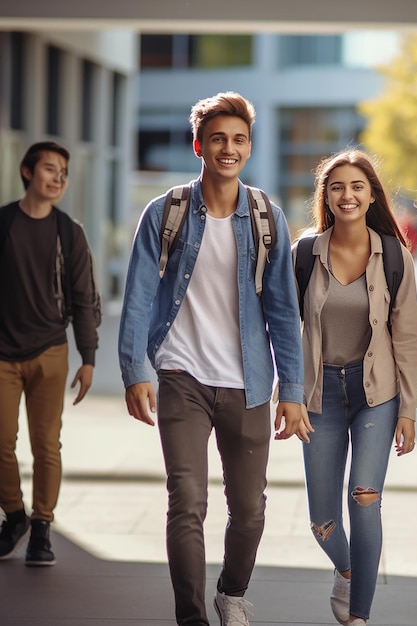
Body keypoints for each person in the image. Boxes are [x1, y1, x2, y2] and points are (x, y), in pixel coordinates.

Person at [118, 91, 308, 626]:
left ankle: (231, 592)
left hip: (247, 380)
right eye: (219, 139)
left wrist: (291, 390)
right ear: (199, 145)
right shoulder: (167, 212)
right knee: (188, 500)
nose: (229, 148)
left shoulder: (267, 217)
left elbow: (282, 311)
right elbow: (136, 296)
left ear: (249, 147)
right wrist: (135, 370)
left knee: (249, 511)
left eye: (239, 139)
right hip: (182, 375)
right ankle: (191, 616)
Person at [295, 149, 417, 626]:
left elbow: (408, 335)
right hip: (319, 393)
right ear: (325, 196)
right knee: (322, 521)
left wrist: (408, 409)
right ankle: (347, 569)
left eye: (356, 187)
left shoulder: (392, 255)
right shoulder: (305, 252)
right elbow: (285, 330)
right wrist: (288, 396)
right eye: (336, 187)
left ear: (371, 195)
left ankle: (360, 616)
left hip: (377, 395)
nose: (347, 195)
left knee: (365, 497)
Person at [0, 141, 99, 566]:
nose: (58, 177)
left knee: (46, 446)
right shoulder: (3, 223)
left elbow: (84, 297)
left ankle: (41, 528)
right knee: (2, 444)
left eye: (64, 171)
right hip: (2, 353)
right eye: (49, 169)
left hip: (51, 353)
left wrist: (88, 356)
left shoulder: (68, 231)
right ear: (27, 172)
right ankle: (15, 515)